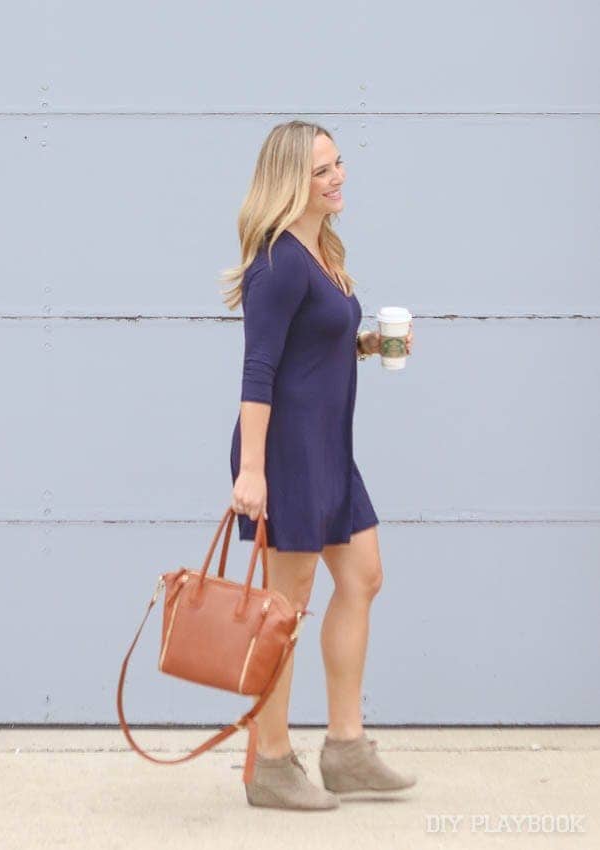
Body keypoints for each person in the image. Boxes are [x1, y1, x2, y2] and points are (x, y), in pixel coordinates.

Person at [219, 120, 417, 810]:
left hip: (330, 445)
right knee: (284, 612)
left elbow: (313, 347)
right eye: (320, 170)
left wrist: (365, 345)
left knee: (364, 577)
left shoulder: (318, 251)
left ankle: (346, 748)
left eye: (338, 164)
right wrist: (252, 470)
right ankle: (270, 764)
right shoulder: (276, 262)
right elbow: (260, 369)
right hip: (287, 455)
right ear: (288, 182)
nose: (336, 178)